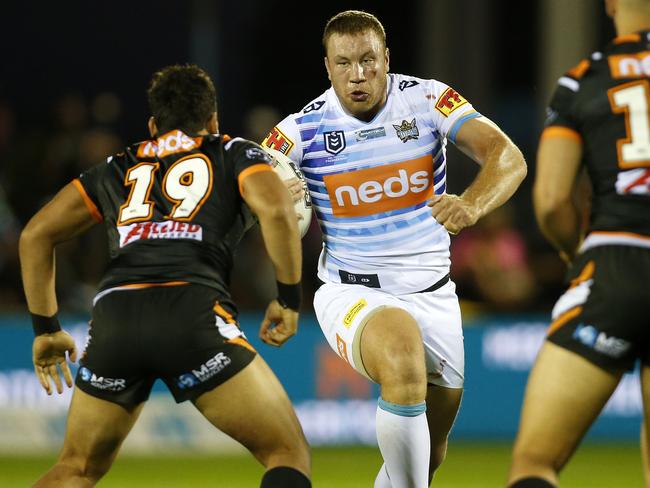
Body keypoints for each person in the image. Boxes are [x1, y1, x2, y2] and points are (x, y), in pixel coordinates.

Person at [262, 10, 526, 487]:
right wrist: (272, 201)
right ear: (327, 66)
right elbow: (254, 182)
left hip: (433, 291)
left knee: (430, 449)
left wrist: (471, 204)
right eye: (344, 63)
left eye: (368, 60)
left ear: (387, 58)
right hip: (351, 291)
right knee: (402, 357)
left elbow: (507, 156)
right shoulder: (301, 130)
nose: (357, 74)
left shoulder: (427, 100)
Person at [19, 64, 311, 488]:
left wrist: (46, 329)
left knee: (77, 467)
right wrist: (287, 299)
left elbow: (35, 235)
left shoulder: (119, 165)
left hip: (115, 316)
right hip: (190, 309)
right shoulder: (230, 151)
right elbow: (278, 210)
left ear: (153, 125)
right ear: (213, 120)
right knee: (286, 453)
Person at [507, 1, 650, 486]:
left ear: (611, 5)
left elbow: (550, 200)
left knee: (534, 463)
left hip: (617, 261)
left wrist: (576, 253)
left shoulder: (585, 79)